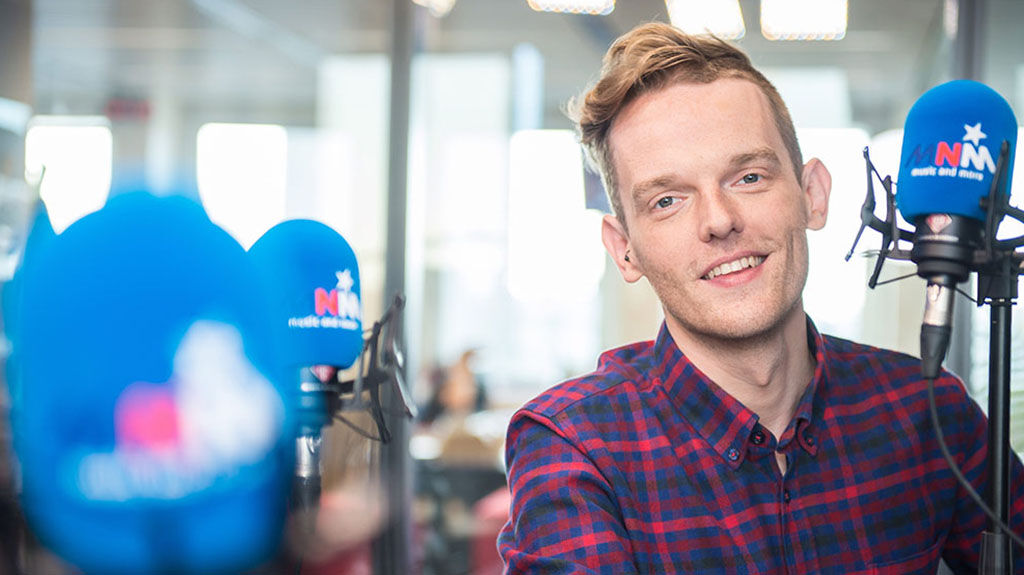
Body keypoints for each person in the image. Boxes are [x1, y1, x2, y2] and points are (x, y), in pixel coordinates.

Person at [498, 22, 1024, 574]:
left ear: (812, 195)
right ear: (624, 249)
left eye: (748, 177)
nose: (720, 220)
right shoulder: (574, 447)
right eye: (667, 201)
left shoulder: (927, 412)